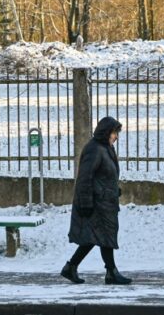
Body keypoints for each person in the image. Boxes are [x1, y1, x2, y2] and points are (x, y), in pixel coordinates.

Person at [61, 116, 132, 285]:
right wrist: (86, 203)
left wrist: (113, 189)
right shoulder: (94, 149)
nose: (116, 137)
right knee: (101, 236)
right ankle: (110, 272)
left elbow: (104, 175)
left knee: (98, 237)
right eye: (115, 133)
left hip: (105, 201)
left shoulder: (106, 148)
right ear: (107, 132)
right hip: (95, 203)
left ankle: (72, 267)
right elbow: (85, 178)